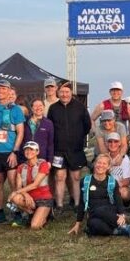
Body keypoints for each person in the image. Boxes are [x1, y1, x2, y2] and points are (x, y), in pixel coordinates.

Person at [68, 154, 130, 238]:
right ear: (95, 164)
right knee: (92, 224)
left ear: (108, 167)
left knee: (99, 210)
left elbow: (118, 200)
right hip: (94, 213)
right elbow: (82, 203)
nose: (101, 166)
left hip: (109, 210)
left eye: (104, 164)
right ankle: (120, 230)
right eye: (99, 163)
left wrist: (122, 215)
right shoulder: (85, 181)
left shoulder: (112, 181)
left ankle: (123, 226)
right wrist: (78, 223)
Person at [0, 79, 26, 224]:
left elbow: (20, 132)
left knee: (14, 182)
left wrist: (15, 151)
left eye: (3, 89)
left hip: (9, 152)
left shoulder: (15, 110)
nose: (0, 91)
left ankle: (17, 212)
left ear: (9, 91)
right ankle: (0, 212)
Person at [47, 81, 92, 211]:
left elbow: (87, 126)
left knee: (76, 177)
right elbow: (50, 128)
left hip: (75, 150)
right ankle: (60, 205)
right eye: (62, 92)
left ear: (71, 93)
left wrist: (77, 137)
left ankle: (78, 204)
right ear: (58, 93)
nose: (64, 94)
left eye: (67, 92)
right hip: (59, 150)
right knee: (59, 177)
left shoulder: (80, 107)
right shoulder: (53, 108)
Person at [6, 141, 54, 230]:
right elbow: (19, 186)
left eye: (32, 150)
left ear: (37, 152)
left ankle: (47, 213)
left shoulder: (43, 164)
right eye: (26, 150)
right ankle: (31, 213)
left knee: (34, 226)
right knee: (15, 197)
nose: (28, 152)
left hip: (44, 199)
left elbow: (35, 184)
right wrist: (25, 194)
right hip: (30, 198)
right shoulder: (21, 167)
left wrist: (16, 192)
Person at [104, 132, 130, 206]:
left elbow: (127, 181)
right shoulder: (104, 158)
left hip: (120, 185)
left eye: (115, 141)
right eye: (110, 141)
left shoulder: (125, 158)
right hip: (105, 185)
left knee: (124, 193)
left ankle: (125, 208)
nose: (113, 144)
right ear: (107, 143)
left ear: (120, 143)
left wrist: (112, 187)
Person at [24, 98, 54, 163]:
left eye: (40, 105)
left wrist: (50, 161)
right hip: (25, 157)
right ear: (31, 108)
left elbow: (50, 143)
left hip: (42, 158)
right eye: (35, 106)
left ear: (44, 107)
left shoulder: (48, 123)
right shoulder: (24, 121)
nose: (38, 108)